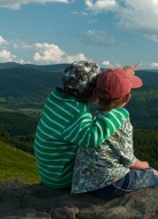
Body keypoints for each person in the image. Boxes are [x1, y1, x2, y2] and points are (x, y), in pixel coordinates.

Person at [71, 67, 158, 210]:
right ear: (128, 98)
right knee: (157, 177)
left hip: (85, 183)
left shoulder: (93, 118)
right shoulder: (121, 120)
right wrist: (145, 165)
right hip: (110, 185)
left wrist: (123, 74)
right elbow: (129, 160)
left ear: (97, 93)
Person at [34, 61, 131, 189]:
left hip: (50, 173)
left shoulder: (55, 98)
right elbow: (93, 137)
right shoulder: (76, 112)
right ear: (96, 91)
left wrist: (122, 75)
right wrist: (118, 111)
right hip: (63, 179)